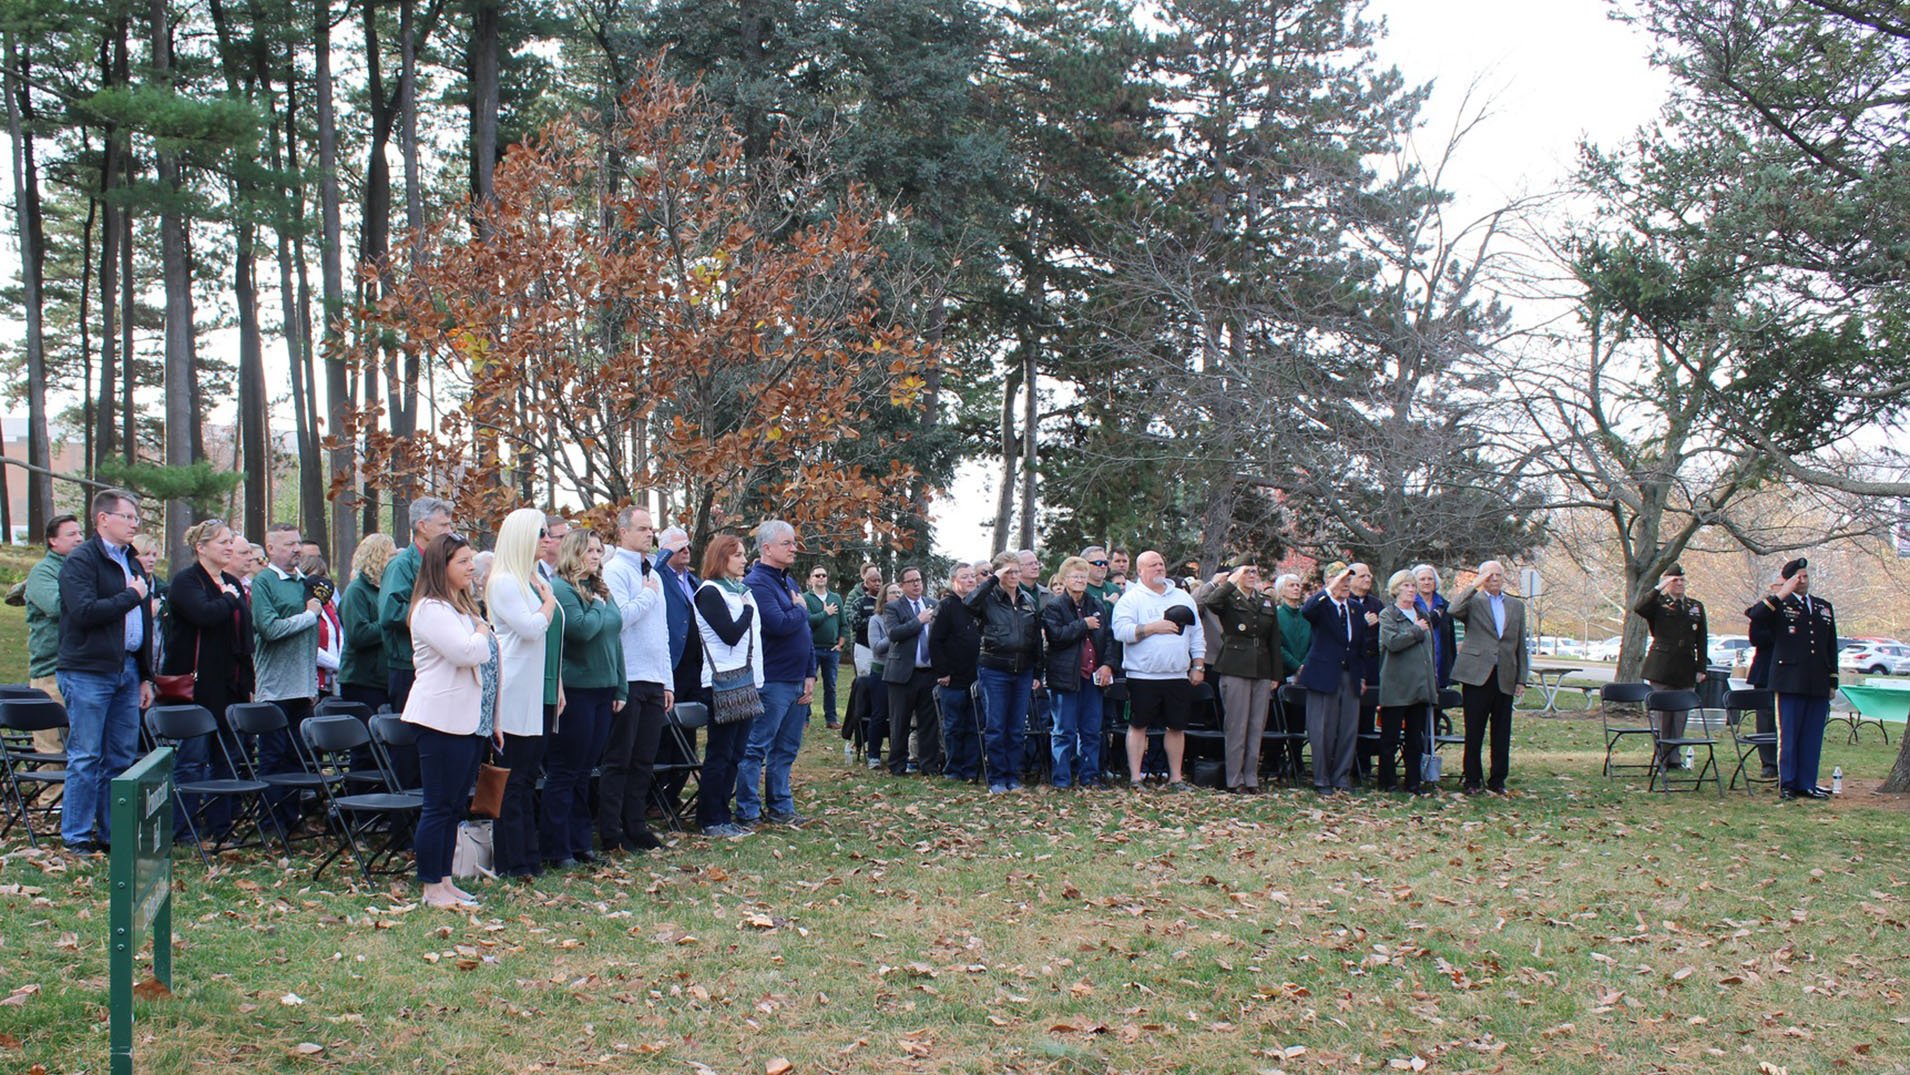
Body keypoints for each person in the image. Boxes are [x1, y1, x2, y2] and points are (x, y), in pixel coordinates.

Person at [56, 489, 157, 853]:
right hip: (88, 670)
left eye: (136, 518)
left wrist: (145, 675)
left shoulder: (131, 560)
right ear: (103, 519)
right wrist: (131, 595)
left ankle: (113, 835)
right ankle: (77, 838)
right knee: (86, 756)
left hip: (127, 670)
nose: (134, 524)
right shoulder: (81, 560)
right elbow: (83, 612)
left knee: (120, 757)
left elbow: (142, 622)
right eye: (128, 517)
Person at [401, 533, 498, 910]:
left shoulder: (459, 609)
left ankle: (445, 880)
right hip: (439, 719)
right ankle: (430, 886)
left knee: (455, 805)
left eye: (472, 560)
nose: (470, 567)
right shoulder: (429, 609)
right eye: (462, 561)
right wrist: (479, 631)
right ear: (442, 567)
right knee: (438, 806)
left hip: (468, 720)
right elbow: (465, 653)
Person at [163, 519, 257, 836]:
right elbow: (204, 615)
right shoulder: (187, 582)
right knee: (192, 759)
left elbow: (245, 636)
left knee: (227, 758)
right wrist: (229, 598)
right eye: (223, 542)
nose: (230, 547)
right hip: (198, 686)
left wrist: (249, 684)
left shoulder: (230, 580)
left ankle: (220, 825)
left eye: (231, 541)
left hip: (231, 685)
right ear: (201, 548)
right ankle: (183, 827)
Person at [543, 528, 626, 865]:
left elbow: (614, 635)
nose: (596, 556)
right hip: (575, 689)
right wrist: (597, 607)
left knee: (585, 770)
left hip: (604, 687)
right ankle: (556, 847)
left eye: (599, 550)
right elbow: (581, 630)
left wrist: (621, 685)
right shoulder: (561, 589)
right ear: (574, 553)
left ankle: (581, 844)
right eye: (590, 550)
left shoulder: (599, 588)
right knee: (565, 770)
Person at [485, 509, 560, 879]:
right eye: (541, 533)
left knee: (528, 777)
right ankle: (511, 861)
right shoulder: (505, 582)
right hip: (512, 688)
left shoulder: (532, 579)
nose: (548, 539)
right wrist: (547, 602)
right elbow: (530, 629)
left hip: (534, 688)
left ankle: (529, 856)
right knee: (511, 781)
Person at [600, 505, 670, 854]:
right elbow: (619, 618)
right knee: (619, 758)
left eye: (651, 529)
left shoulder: (654, 574)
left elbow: (662, 632)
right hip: (628, 675)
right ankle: (611, 830)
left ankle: (636, 825)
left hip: (654, 678)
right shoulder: (614, 570)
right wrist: (646, 594)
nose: (649, 534)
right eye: (642, 528)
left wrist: (667, 680)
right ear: (624, 532)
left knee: (644, 759)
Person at [738, 520, 816, 828]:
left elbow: (803, 632)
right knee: (756, 747)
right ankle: (747, 810)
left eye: (794, 542)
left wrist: (810, 672)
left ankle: (781, 807)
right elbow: (778, 624)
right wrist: (801, 609)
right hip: (772, 680)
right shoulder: (757, 583)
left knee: (786, 748)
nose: (794, 547)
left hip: (798, 678)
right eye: (787, 543)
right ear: (767, 548)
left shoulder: (790, 582)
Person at [1112, 550, 1205, 790]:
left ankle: (1175, 778)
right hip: (1143, 675)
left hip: (1177, 674)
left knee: (1176, 726)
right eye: (1152, 565)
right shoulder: (1131, 599)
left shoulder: (1183, 597)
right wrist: (1152, 628)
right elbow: (1120, 631)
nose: (1159, 568)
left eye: (1161, 564)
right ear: (1140, 571)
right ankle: (1135, 777)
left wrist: (1198, 664)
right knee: (1139, 725)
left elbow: (1197, 634)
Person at [252, 523, 324, 826]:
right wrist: (309, 616)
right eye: (288, 544)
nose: (296, 549)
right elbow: (269, 629)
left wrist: (311, 683)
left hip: (302, 686)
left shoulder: (306, 583)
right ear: (270, 548)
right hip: (275, 687)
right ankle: (271, 822)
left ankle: (291, 818)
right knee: (273, 756)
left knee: (297, 755)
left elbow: (309, 641)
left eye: (297, 543)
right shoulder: (264, 582)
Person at [1746, 558, 1837, 801]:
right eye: (1798, 577)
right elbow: (1755, 615)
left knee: (1812, 735)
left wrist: (1832, 681)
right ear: (1788, 581)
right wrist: (1780, 594)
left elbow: (1831, 645)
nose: (1804, 581)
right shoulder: (1779, 605)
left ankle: (1807, 783)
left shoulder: (1822, 607)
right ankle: (1787, 783)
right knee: (1789, 734)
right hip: (1789, 679)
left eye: (1806, 576)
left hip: (1817, 679)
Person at [690, 532, 758, 837]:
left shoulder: (738, 590)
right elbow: (728, 634)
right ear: (722, 558)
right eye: (738, 555)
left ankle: (723, 815)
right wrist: (746, 610)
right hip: (719, 682)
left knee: (736, 752)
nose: (744, 560)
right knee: (720, 752)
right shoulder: (710, 592)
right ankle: (709, 818)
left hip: (744, 680)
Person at [1198, 562, 1283, 794]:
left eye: (1254, 571)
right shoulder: (1228, 598)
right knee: (1237, 725)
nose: (1252, 576)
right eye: (1246, 572)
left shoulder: (1266, 601)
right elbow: (1211, 603)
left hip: (1262, 667)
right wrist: (1231, 581)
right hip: (1235, 665)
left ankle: (1251, 777)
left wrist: (1276, 674)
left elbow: (1274, 640)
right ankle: (1234, 779)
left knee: (1256, 726)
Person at [1449, 560, 1529, 796]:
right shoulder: (1474, 602)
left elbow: (1520, 645)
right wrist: (1475, 584)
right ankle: (1472, 779)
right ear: (1482, 577)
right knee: (1475, 730)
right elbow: (1453, 609)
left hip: (1505, 673)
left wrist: (1521, 679)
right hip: (1477, 674)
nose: (1494, 579)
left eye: (1498, 575)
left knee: (1501, 731)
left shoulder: (1515, 605)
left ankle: (1498, 780)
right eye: (1489, 575)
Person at [968, 552, 1044, 794]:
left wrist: (1037, 672)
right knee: (996, 725)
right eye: (1008, 572)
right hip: (994, 668)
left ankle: (1013, 775)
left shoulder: (1027, 601)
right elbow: (968, 604)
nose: (1014, 576)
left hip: (1023, 670)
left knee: (1016, 727)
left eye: (1016, 571)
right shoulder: (988, 599)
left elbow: (1035, 641)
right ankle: (997, 777)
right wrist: (992, 579)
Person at [1043, 556, 1115, 789]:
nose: (1080, 581)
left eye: (1083, 577)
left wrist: (1108, 665)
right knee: (1063, 731)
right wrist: (1083, 624)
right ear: (1064, 580)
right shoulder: (1054, 606)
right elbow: (1056, 637)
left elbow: (1109, 639)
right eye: (1075, 576)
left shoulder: (1096, 605)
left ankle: (1089, 777)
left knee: (1091, 730)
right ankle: (1062, 779)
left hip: (1093, 678)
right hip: (1065, 677)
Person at [379, 497, 456, 712]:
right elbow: (390, 613)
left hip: (440, 662)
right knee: (408, 738)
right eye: (443, 525)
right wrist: (436, 615)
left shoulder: (443, 564)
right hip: (408, 665)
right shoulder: (401, 566)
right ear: (422, 526)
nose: (449, 531)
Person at [1632, 564, 1709, 772]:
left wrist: (1701, 667)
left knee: (1680, 714)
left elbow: (1702, 640)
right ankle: (1661, 757)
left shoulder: (1695, 606)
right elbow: (1639, 607)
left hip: (1685, 667)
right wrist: (1659, 587)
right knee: (1663, 715)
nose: (1680, 584)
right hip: (1662, 666)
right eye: (1675, 580)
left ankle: (1675, 757)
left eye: (1682, 580)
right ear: (1667, 582)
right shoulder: (1658, 604)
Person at [1298, 565, 1366, 797]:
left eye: (1349, 582)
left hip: (1350, 675)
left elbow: (1360, 647)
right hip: (1324, 675)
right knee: (1322, 728)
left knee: (1348, 728)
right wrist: (1329, 590)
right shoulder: (1322, 605)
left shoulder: (1356, 609)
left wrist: (1362, 675)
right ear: (1330, 582)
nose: (1346, 586)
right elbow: (1307, 611)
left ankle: (1341, 775)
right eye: (1342, 581)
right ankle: (1321, 777)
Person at [653, 526, 704, 822]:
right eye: (679, 548)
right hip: (669, 665)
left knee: (687, 736)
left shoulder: (693, 581)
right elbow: (655, 566)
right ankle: (656, 795)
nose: (686, 551)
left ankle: (672, 795)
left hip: (693, 668)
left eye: (687, 546)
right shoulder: (659, 577)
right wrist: (666, 552)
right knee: (662, 735)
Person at [24, 514, 82, 757]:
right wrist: (90, 602)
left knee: (80, 749)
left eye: (80, 533)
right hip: (50, 671)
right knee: (52, 752)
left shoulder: (82, 569)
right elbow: (56, 606)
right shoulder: (42, 572)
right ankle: (50, 797)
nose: (79, 538)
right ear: (52, 541)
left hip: (81, 669)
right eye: (71, 534)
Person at [1377, 570, 1437, 795]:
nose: (1411, 590)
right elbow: (1392, 643)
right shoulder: (1388, 615)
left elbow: (1429, 650)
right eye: (1406, 586)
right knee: (1390, 738)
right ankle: (1387, 781)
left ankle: (1413, 782)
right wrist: (1416, 630)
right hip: (1396, 685)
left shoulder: (1422, 614)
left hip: (1420, 686)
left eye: (1413, 586)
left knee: (1415, 738)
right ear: (1396, 589)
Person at [883, 564, 943, 777]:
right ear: (902, 585)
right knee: (900, 722)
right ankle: (897, 765)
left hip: (929, 673)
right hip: (902, 674)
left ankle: (929, 765)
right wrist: (918, 621)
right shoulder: (894, 607)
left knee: (929, 723)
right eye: (912, 581)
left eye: (919, 580)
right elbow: (894, 634)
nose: (917, 584)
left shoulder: (933, 604)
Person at [929, 562, 984, 782]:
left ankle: (971, 769)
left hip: (977, 675)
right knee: (953, 726)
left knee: (975, 725)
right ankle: (953, 769)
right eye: (965, 577)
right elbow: (935, 641)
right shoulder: (946, 606)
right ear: (954, 581)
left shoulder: (979, 606)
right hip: (952, 678)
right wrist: (942, 671)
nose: (971, 580)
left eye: (973, 576)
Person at [338, 534, 397, 713]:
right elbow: (358, 634)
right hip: (362, 681)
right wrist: (391, 622)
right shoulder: (356, 591)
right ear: (378, 557)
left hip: (385, 678)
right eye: (392, 556)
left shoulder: (387, 589)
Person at [1272, 571, 1312, 776]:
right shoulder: (1277, 615)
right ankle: (1275, 762)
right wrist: (1295, 665)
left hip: (1305, 675)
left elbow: (1314, 642)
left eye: (1298, 585)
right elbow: (1276, 645)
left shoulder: (1307, 616)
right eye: (1291, 585)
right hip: (1282, 674)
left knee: (1299, 722)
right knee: (1280, 721)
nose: (1296, 588)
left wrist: (1304, 666)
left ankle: (1297, 763)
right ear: (1281, 591)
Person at [863, 582, 902, 770]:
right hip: (881, 671)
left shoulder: (909, 617)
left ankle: (901, 754)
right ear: (884, 597)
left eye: (900, 592)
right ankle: (874, 755)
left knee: (900, 716)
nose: (897, 595)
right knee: (879, 714)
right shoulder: (876, 620)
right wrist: (896, 632)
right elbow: (876, 648)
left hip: (903, 671)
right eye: (893, 592)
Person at [1744, 580, 1781, 778]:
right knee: (1766, 718)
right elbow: (1756, 638)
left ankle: (1785, 760)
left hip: (1789, 674)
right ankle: (1768, 763)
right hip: (1766, 671)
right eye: (1780, 586)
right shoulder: (1761, 612)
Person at [804, 566, 848, 729]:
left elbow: (843, 623)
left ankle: (831, 719)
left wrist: (840, 644)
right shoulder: (806, 598)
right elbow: (806, 621)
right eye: (817, 575)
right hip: (812, 649)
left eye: (823, 575)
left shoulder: (835, 598)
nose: (821, 578)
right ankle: (804, 718)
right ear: (810, 580)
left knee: (831, 685)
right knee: (808, 684)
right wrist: (826, 613)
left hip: (831, 650)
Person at [301, 554, 343, 698]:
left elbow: (338, 637)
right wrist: (339, 664)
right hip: (313, 682)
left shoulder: (329, 606)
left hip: (332, 681)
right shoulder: (303, 605)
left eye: (324, 575)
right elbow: (310, 647)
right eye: (317, 576)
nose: (322, 581)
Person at [1411, 565, 1456, 689]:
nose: (1427, 582)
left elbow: (1450, 639)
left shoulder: (1444, 605)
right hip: (1416, 666)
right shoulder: (1409, 604)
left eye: (1430, 579)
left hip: (1440, 664)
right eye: (1422, 579)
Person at [537, 514, 570, 581]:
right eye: (561, 537)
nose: (568, 541)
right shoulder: (531, 573)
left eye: (568, 537)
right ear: (546, 539)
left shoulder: (570, 570)